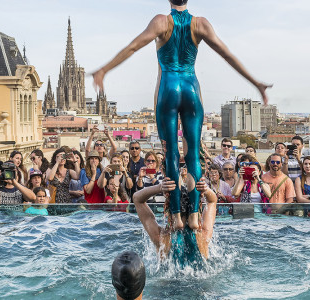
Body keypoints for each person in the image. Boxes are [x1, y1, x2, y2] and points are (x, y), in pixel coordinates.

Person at [93, 0, 270, 231]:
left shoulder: (160, 22)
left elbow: (132, 47)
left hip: (168, 87)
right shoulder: (200, 24)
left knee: (171, 155)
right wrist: (255, 83)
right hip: (191, 88)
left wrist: (104, 70)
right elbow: (227, 55)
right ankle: (195, 215)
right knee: (193, 154)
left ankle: (176, 217)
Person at [133, 176, 217, 264]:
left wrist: (159, 187)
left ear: (167, 210)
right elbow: (212, 201)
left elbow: (137, 198)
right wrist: (205, 189)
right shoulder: (203, 236)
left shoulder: (160, 238)